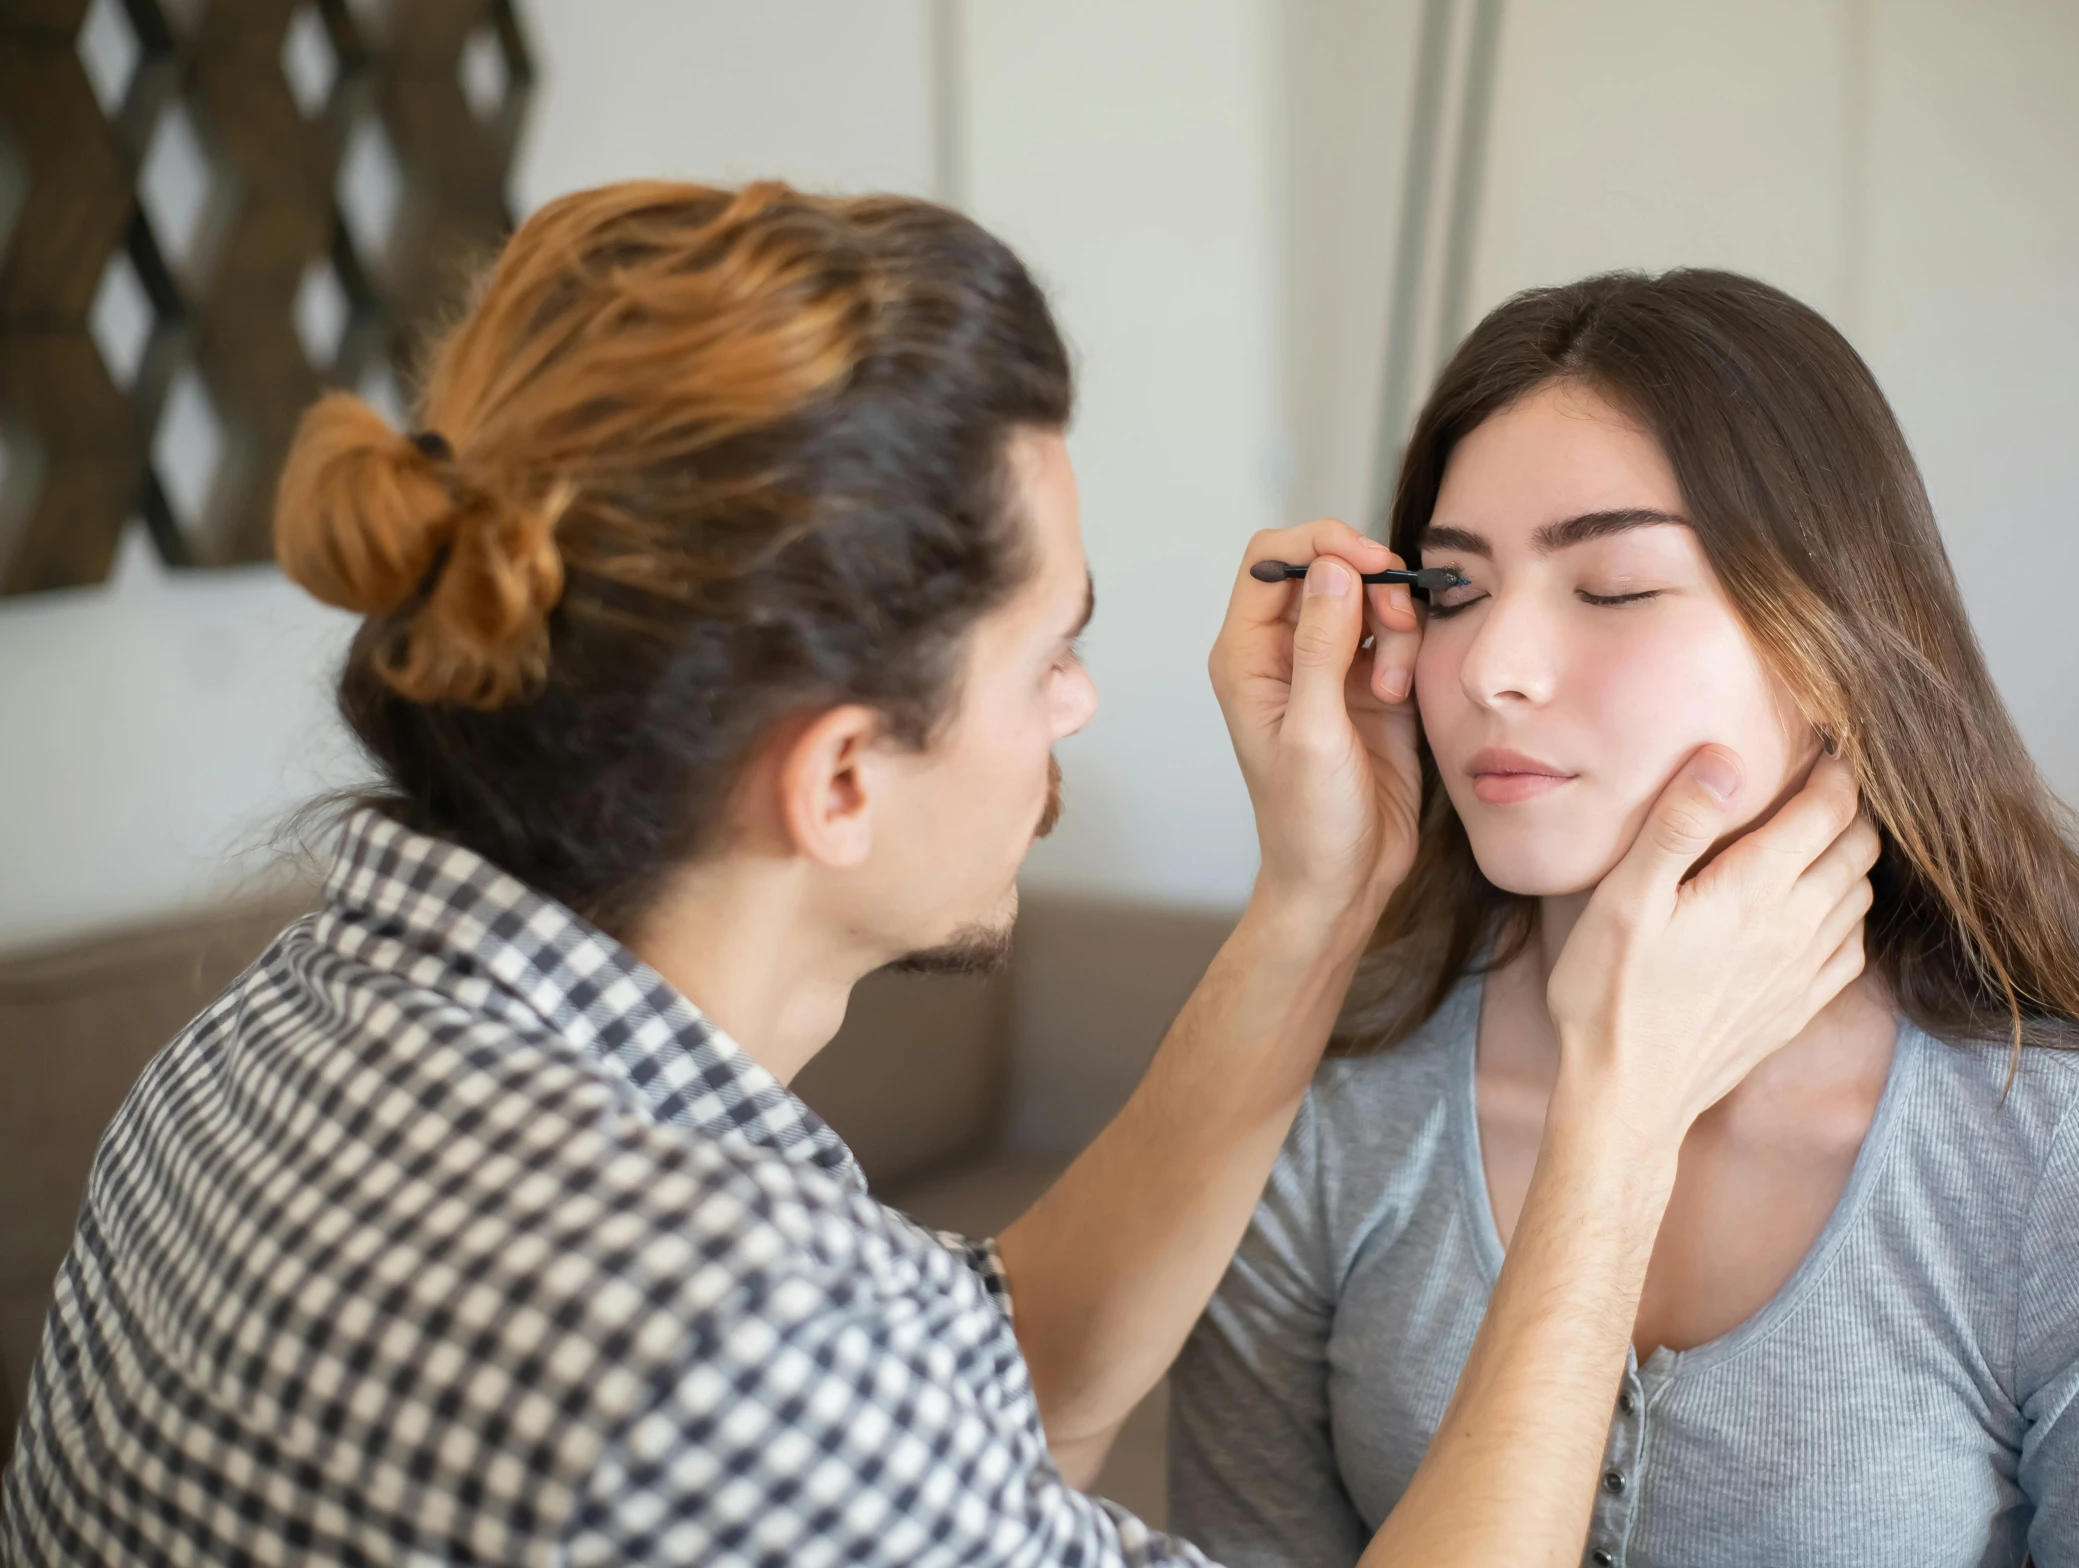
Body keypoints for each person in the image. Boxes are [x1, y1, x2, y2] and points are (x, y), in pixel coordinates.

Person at [0, 187, 1869, 1567]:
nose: (1080, 702)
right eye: (1048, 648)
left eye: (1614, 586)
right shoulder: (719, 1325)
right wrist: (1625, 1104)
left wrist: (1320, 901)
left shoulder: (278, 1040)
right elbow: (820, 1389)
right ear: (834, 781)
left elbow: (996, 1386)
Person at [1167, 268, 2079, 1567]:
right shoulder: (1326, 1121)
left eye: (1613, 588)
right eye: (1453, 589)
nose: (1489, 669)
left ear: (1837, 645)